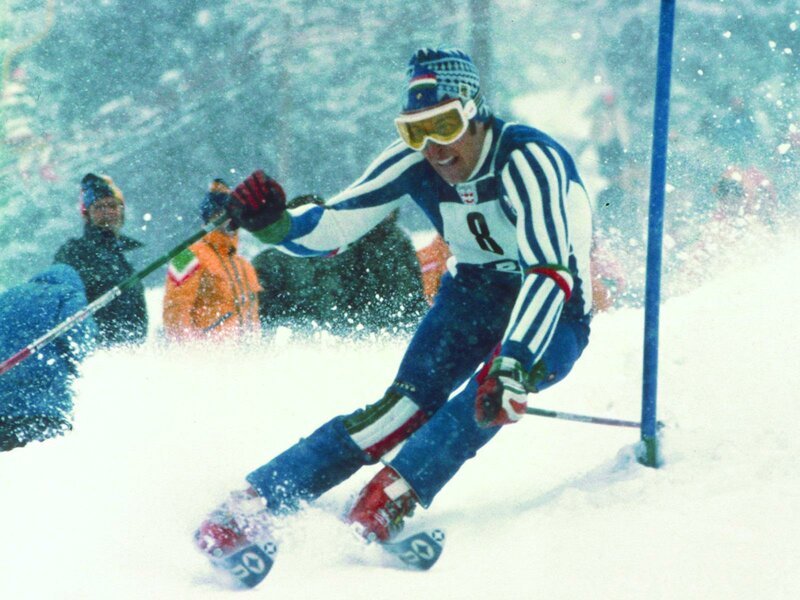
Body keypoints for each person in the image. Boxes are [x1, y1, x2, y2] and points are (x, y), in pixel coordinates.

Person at [194, 47, 594, 568]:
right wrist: (274, 223)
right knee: (403, 407)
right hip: (473, 291)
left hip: (554, 306)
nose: (434, 147)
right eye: (415, 130)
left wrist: (512, 363)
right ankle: (248, 506)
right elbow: (337, 224)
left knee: (482, 401)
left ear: (475, 110)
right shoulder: (414, 160)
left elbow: (550, 271)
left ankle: (383, 504)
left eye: (446, 124)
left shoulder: (526, 159)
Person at [254, 194, 428, 336]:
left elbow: (407, 290)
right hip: (307, 341)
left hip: (361, 335)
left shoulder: (354, 248)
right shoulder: (272, 260)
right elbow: (265, 307)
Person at [0, 264, 97, 451]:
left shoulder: (7, 297)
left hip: (2, 404)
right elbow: (79, 342)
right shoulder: (69, 295)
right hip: (43, 405)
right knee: (44, 466)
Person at [54, 173, 148, 346]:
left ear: (121, 209)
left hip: (133, 351)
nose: (107, 212)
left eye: (112, 205)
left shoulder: (127, 253)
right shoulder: (74, 252)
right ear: (87, 214)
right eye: (98, 207)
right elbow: (62, 301)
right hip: (98, 353)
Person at [163, 180, 262, 341]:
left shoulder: (244, 266)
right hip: (206, 359)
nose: (231, 219)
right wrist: (185, 355)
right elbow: (175, 310)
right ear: (210, 217)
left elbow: (253, 318)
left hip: (245, 359)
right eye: (221, 213)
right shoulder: (186, 256)